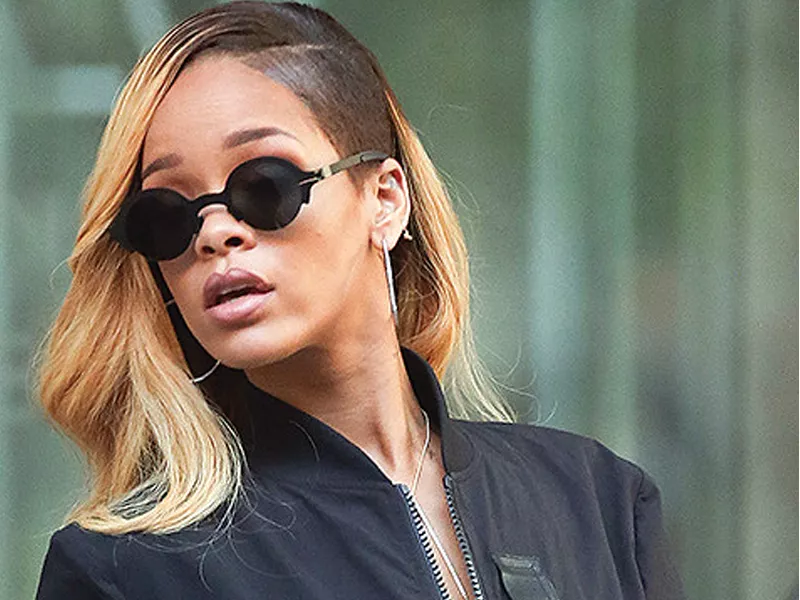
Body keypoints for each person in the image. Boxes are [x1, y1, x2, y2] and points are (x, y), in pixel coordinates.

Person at [35, 2, 684, 599]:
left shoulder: (599, 504)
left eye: (264, 184)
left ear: (385, 199)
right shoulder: (126, 571)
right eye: (167, 215)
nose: (214, 232)